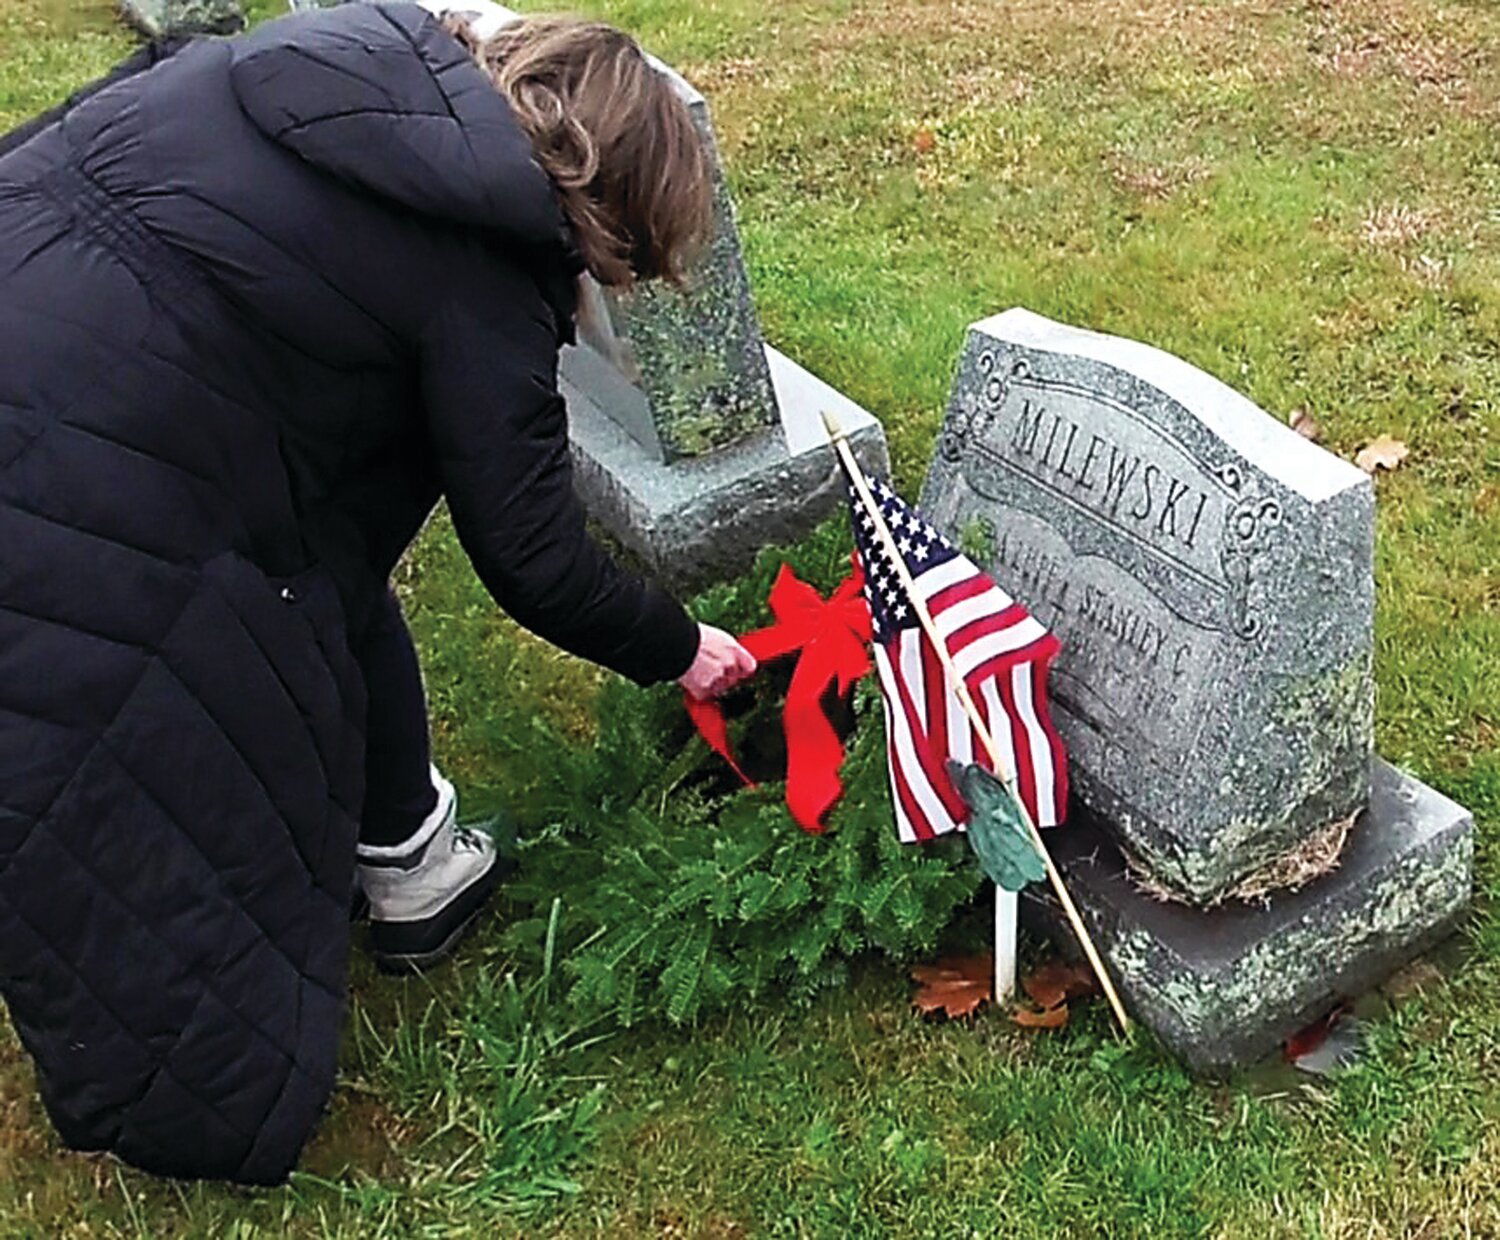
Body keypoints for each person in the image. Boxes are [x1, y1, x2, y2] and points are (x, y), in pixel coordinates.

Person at [0, 1, 755, 1184]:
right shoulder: (488, 258)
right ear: (611, 207)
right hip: (75, 474)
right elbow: (532, 557)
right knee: (139, 721)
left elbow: (340, 538)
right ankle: (211, 1074)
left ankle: (410, 858)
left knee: (312, 558)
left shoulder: (334, 64)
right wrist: (683, 646)